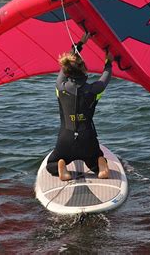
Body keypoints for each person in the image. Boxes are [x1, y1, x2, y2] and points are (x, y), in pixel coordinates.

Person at [46, 32, 114, 181]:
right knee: (94, 157)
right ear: (84, 70)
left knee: (50, 164)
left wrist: (79, 45)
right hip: (87, 139)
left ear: (66, 70)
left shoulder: (60, 86)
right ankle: (100, 164)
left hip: (65, 138)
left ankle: (61, 164)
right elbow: (106, 75)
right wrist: (109, 61)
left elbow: (65, 68)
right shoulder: (95, 89)